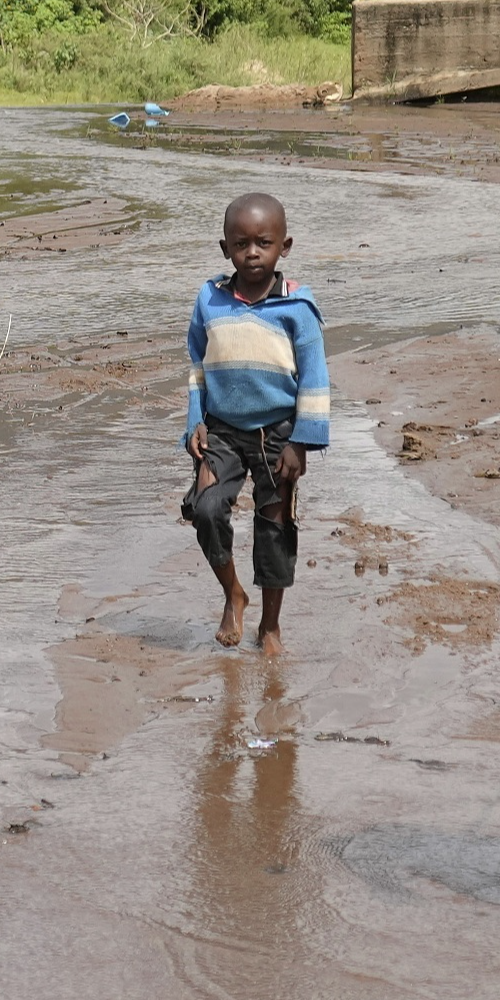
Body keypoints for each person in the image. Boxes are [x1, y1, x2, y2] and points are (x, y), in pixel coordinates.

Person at [182, 190, 329, 656]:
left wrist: (302, 442)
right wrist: (194, 424)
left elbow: (315, 379)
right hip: (220, 429)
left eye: (263, 243)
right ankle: (233, 594)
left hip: (278, 436)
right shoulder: (210, 300)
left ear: (284, 246)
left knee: (275, 527)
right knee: (205, 511)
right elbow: (196, 367)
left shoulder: (297, 307)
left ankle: (269, 626)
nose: (252, 253)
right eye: (240, 243)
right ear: (224, 248)